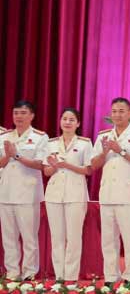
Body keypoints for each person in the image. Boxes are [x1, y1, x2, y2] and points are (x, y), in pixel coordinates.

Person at [89, 98, 130, 284]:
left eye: (121, 111)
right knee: (108, 239)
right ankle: (110, 276)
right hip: (107, 194)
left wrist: (121, 150)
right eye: (114, 111)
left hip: (128, 195)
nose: (117, 115)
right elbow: (93, 165)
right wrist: (105, 152)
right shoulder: (103, 136)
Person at [0, 101, 49, 280]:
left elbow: (40, 164)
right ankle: (12, 272)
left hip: (28, 193)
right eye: (15, 113)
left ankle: (29, 272)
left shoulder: (40, 137)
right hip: (5, 192)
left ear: (31, 115)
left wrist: (17, 155)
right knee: (9, 236)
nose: (18, 116)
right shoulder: (4, 136)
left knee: (29, 236)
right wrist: (8, 155)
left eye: (22, 113)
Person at [42, 108, 91, 282]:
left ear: (78, 123)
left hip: (76, 194)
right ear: (60, 121)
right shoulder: (50, 143)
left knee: (74, 237)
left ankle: (71, 277)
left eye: (72, 119)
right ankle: (59, 277)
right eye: (64, 118)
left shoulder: (85, 143)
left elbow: (88, 169)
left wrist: (67, 165)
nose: (67, 122)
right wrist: (55, 166)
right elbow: (46, 171)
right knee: (57, 237)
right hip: (54, 194)